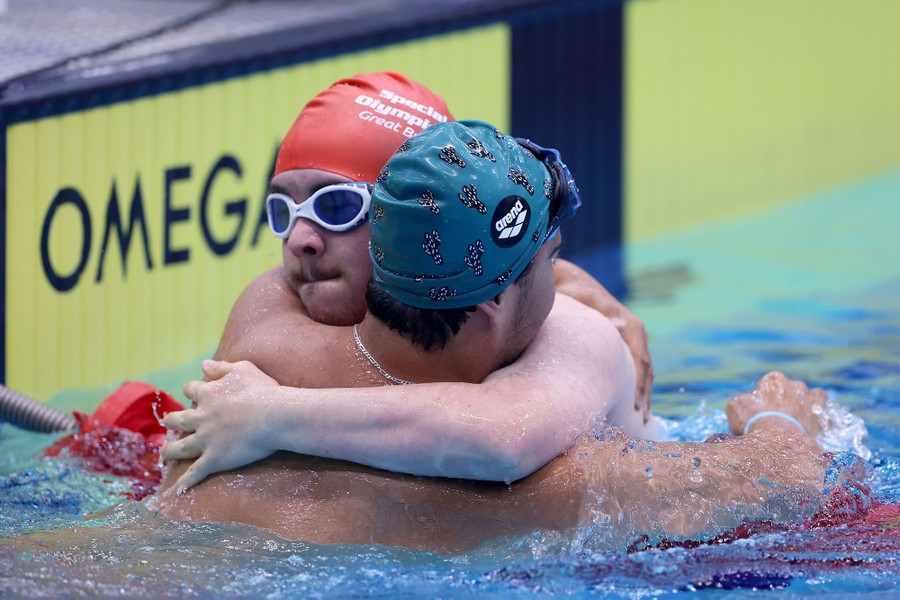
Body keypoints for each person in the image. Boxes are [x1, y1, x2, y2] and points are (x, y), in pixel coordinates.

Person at [158, 122, 836, 554]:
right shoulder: (545, 487)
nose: (565, 279)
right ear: (489, 312)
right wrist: (783, 423)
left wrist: (271, 413)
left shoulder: (226, 411)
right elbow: (782, 483)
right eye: (553, 259)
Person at [161, 72, 655, 489]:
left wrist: (271, 414)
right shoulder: (268, 313)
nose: (299, 240)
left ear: (417, 215)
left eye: (338, 206)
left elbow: (506, 434)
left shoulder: (566, 328)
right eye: (282, 210)